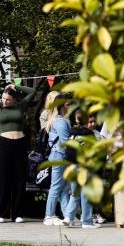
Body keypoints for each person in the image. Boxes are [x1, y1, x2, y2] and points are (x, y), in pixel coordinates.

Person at [0, 83, 40, 223]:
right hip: (4, 144)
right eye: (3, 99)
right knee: (3, 178)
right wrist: (5, 89)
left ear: (14, 100)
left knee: (19, 178)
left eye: (8, 99)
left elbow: (33, 91)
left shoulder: (20, 107)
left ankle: (17, 214)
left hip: (20, 144)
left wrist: (15, 87)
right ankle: (1, 213)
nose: (5, 101)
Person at [63, 109, 100, 229]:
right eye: (90, 121)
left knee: (75, 194)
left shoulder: (72, 133)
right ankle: (87, 221)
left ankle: (68, 217)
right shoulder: (89, 134)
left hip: (72, 166)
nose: (92, 124)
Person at [43, 92, 72, 225]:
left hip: (59, 155)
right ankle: (49, 215)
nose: (70, 107)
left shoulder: (58, 120)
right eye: (68, 104)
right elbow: (66, 142)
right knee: (56, 186)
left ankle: (67, 216)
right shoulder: (60, 122)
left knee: (64, 188)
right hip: (59, 155)